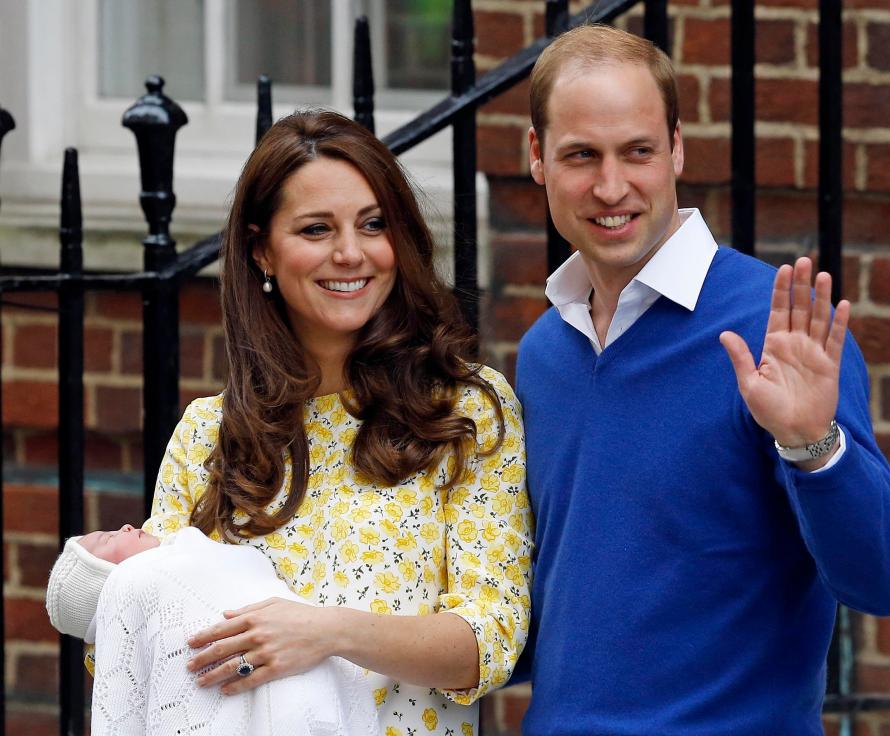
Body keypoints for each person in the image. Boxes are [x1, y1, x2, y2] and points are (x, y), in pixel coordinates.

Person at [48, 110, 533, 736]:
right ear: (262, 252)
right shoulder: (208, 435)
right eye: (316, 229)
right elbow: (139, 634)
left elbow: (490, 640)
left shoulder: (463, 412)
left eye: (373, 224)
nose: (351, 253)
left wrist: (325, 632)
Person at [515, 24, 890, 735]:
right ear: (537, 158)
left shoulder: (779, 333)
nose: (611, 186)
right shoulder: (543, 353)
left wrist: (813, 445)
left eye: (638, 151)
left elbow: (885, 582)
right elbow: (553, 615)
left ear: (675, 146)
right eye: (582, 155)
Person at [46, 524, 377, 735]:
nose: (127, 526)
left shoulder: (188, 556)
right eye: (109, 539)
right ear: (108, 583)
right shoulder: (139, 582)